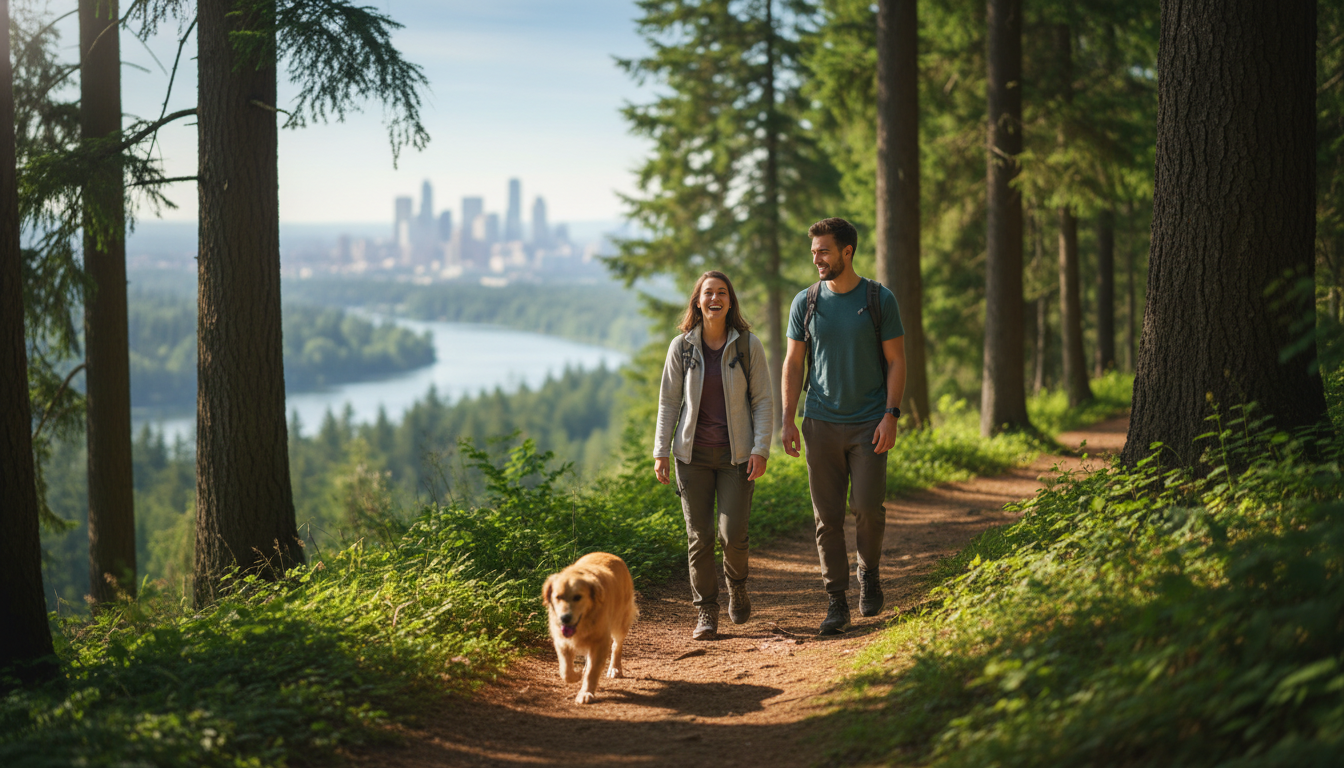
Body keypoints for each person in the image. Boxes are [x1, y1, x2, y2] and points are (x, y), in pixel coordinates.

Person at [781, 217, 907, 636]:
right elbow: (793, 363)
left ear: (847, 252)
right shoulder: (807, 301)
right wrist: (788, 418)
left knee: (868, 509)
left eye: (824, 251)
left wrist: (891, 415)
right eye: (814, 251)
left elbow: (896, 361)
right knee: (827, 518)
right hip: (820, 423)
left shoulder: (878, 298)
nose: (815, 258)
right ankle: (836, 601)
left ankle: (868, 572)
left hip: (869, 424)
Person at [654, 270, 774, 640]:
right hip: (691, 457)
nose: (714, 298)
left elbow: (763, 400)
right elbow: (669, 402)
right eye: (708, 293)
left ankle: (737, 586)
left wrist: (760, 448)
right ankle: (706, 611)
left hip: (736, 457)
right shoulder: (682, 347)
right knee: (699, 536)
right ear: (698, 300)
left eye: (722, 292)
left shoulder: (747, 346)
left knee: (732, 534)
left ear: (730, 301)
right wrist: (660, 451)